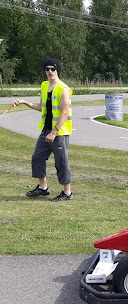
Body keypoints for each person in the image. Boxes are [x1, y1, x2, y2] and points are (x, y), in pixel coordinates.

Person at [13, 58, 73, 202]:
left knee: (61, 161)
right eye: (47, 69)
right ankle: (43, 188)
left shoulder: (63, 89)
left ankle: (67, 192)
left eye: (53, 69)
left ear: (57, 70)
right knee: (37, 157)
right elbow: (41, 107)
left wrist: (54, 131)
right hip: (46, 130)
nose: (50, 71)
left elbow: (64, 113)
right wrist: (25, 102)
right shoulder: (45, 86)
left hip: (59, 132)